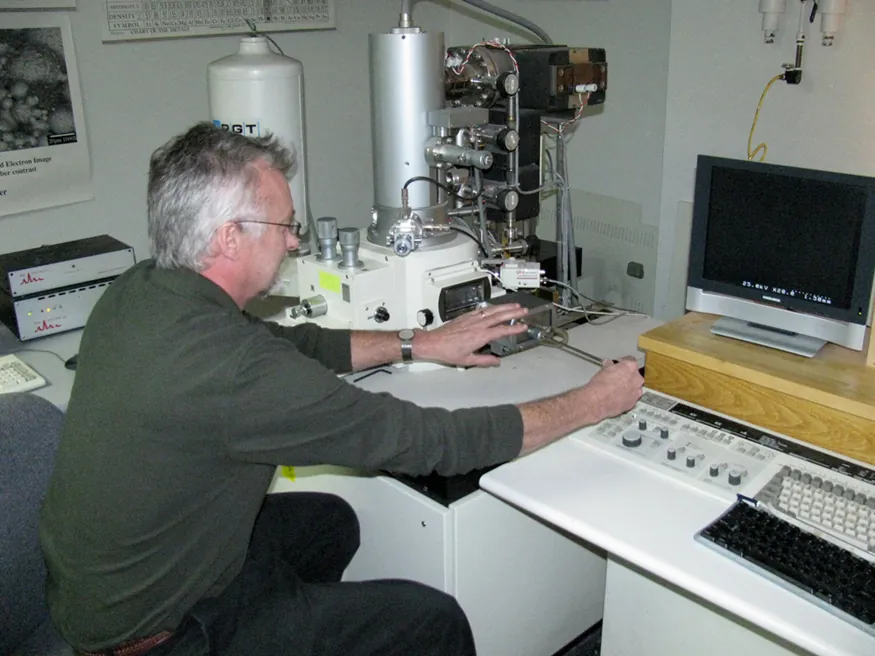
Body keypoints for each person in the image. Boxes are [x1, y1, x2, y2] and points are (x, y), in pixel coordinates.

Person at [39, 122, 644, 656]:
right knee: (433, 621)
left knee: (332, 523)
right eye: (284, 225)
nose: (295, 241)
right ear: (228, 238)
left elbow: (291, 345)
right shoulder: (234, 371)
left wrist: (419, 343)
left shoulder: (141, 290)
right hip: (158, 636)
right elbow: (430, 441)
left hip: (106, 589)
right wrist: (592, 401)